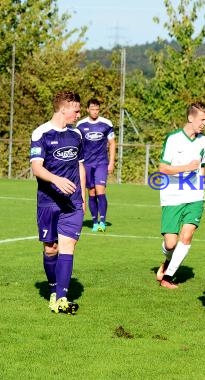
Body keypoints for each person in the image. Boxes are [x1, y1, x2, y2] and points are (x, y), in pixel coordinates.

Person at [30, 90, 85, 314]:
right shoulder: (40, 133)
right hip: (48, 201)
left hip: (72, 203)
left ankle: (61, 298)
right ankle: (54, 288)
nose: (78, 114)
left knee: (67, 247)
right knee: (51, 249)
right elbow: (36, 167)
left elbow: (80, 165)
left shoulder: (77, 135)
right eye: (76, 110)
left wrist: (83, 196)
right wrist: (56, 180)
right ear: (63, 108)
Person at [155, 102, 205, 289]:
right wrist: (186, 168)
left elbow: (202, 167)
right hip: (172, 196)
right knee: (170, 244)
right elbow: (162, 168)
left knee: (186, 236)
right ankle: (166, 262)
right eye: (202, 119)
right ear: (190, 118)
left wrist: (202, 190)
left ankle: (168, 277)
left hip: (195, 196)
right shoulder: (173, 139)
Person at [75, 98, 116, 232]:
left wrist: (111, 162)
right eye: (92, 109)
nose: (95, 112)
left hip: (101, 163)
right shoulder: (80, 125)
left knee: (100, 190)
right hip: (86, 164)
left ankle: (102, 222)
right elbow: (77, 145)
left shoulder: (106, 124)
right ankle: (94, 222)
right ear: (87, 110)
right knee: (91, 192)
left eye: (97, 109)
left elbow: (112, 143)